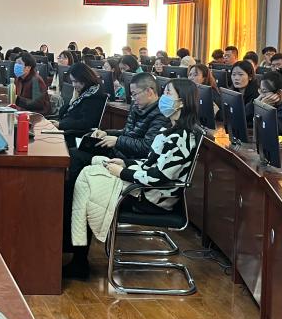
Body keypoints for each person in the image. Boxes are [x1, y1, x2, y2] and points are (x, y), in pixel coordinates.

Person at [67, 79, 199, 279]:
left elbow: (156, 177)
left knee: (86, 189)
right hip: (141, 187)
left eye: (168, 93)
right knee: (87, 174)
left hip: (150, 198)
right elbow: (149, 163)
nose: (163, 98)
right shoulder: (168, 130)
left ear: (182, 102)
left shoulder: (182, 138)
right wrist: (125, 164)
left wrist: (122, 172)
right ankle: (75, 255)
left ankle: (78, 262)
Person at [56, 62, 107, 149]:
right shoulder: (83, 93)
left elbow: (85, 123)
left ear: (85, 78)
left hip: (74, 136)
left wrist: (61, 125)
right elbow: (61, 114)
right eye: (72, 81)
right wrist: (72, 100)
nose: (73, 85)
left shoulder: (94, 97)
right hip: (66, 130)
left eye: (75, 81)